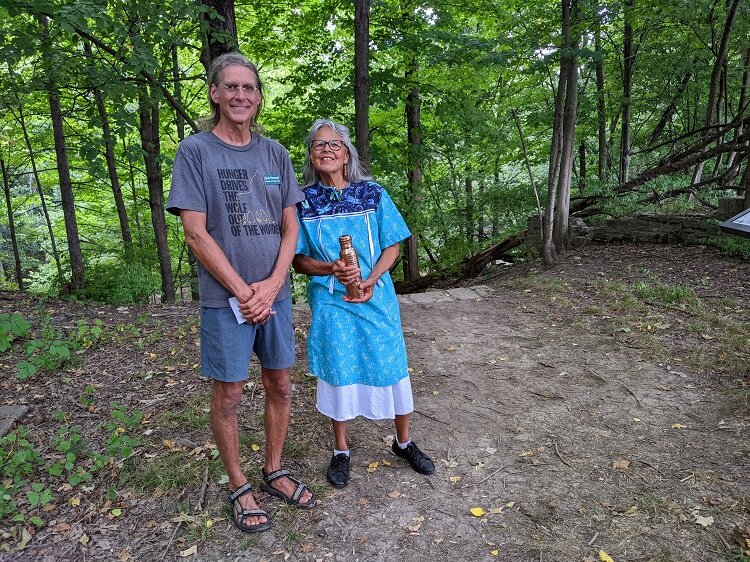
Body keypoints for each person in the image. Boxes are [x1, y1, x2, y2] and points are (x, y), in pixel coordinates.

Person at [166, 52, 315, 534]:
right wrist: (243, 291)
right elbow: (195, 232)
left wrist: (273, 286)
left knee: (281, 384)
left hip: (274, 294)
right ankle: (238, 483)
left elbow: (291, 226)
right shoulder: (195, 152)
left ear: (258, 97)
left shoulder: (275, 154)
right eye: (230, 87)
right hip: (224, 300)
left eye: (248, 88)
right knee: (229, 394)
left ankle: (273, 471)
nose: (240, 96)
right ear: (215, 93)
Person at [292, 118, 435, 489]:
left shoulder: (372, 194)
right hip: (331, 300)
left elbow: (393, 245)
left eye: (334, 145)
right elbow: (297, 259)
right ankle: (341, 450)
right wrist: (330, 268)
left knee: (391, 363)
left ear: (346, 155)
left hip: (376, 296)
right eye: (319, 145)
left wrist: (370, 280)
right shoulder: (302, 201)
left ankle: (403, 442)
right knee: (339, 368)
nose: (326, 150)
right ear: (310, 154)